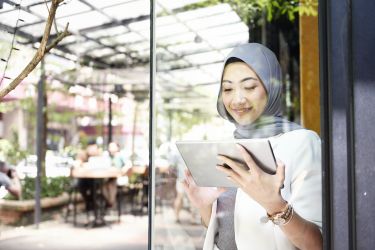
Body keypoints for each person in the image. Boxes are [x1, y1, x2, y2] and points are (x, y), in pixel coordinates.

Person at [182, 43, 322, 250]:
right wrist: (205, 206)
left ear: (271, 88)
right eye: (228, 88)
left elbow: (318, 244)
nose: (237, 99)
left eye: (249, 87)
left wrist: (275, 205)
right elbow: (224, 233)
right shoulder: (226, 147)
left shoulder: (302, 143)